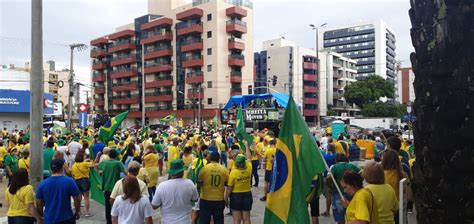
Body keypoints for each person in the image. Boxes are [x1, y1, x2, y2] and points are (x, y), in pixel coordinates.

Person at [152, 159, 199, 223]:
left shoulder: (162, 186)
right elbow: (195, 199)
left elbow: (154, 206)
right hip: (185, 221)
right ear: (182, 172)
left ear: (170, 173)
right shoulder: (189, 184)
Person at [36, 159, 81, 223]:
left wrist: (41, 215)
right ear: (62, 168)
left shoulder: (43, 184)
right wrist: (77, 211)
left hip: (49, 218)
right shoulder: (70, 181)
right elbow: (77, 198)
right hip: (67, 217)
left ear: (50, 169)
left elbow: (38, 202)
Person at [327, 154, 360, 224]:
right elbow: (361, 173)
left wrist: (330, 186)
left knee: (340, 216)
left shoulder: (334, 167)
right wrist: (357, 185)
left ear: (336, 160)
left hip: (338, 193)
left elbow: (329, 178)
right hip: (351, 193)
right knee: (352, 214)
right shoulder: (351, 165)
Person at [197, 151, 229, 224]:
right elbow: (227, 184)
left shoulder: (204, 168)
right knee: (219, 220)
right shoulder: (224, 169)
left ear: (210, 158)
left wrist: (199, 192)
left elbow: (199, 183)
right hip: (219, 199)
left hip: (205, 198)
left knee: (204, 220)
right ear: (219, 158)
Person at [226, 141, 253, 224]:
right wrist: (246, 146)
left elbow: (229, 188)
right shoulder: (249, 167)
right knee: (247, 218)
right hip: (247, 194)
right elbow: (249, 157)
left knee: (236, 220)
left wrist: (226, 198)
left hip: (236, 196)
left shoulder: (234, 172)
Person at [99, 149, 126, 224]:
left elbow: (97, 166)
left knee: (107, 206)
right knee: (118, 205)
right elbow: (125, 172)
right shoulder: (118, 163)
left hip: (106, 187)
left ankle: (109, 221)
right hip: (116, 188)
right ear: (116, 156)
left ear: (108, 155)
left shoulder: (104, 163)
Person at [71, 149, 95, 217]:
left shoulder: (74, 165)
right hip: (85, 181)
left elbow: (72, 175)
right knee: (86, 197)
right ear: (82, 157)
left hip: (76, 181)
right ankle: (87, 212)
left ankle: (79, 211)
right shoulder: (84, 163)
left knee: (79, 197)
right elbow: (93, 165)